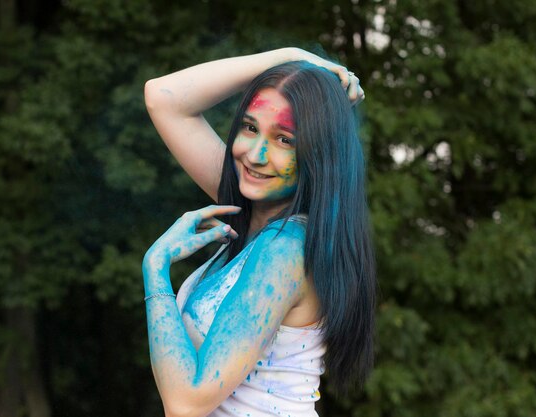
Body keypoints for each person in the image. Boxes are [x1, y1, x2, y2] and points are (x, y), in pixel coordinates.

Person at [142, 47, 376, 417]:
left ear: (318, 154)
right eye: (250, 128)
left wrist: (155, 269)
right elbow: (163, 98)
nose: (255, 155)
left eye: (284, 139)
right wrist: (291, 56)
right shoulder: (250, 211)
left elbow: (185, 402)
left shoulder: (285, 248)